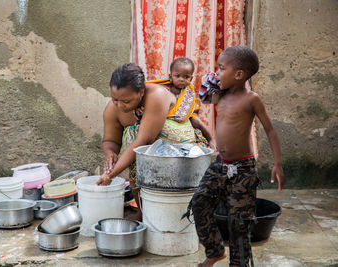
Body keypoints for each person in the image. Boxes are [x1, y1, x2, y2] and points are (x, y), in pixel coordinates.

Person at [190, 46, 284, 267]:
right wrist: (214, 82)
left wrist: (277, 163)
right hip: (220, 164)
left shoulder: (252, 99)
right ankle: (214, 251)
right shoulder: (220, 93)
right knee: (199, 203)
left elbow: (270, 129)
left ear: (239, 74)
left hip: (243, 169)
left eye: (222, 68)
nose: (217, 72)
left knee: (239, 222)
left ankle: (238, 264)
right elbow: (204, 97)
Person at [97, 63, 177, 220]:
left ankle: (166, 214)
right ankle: (143, 212)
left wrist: (111, 174)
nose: (120, 105)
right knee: (133, 140)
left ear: (141, 92)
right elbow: (110, 140)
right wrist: (109, 153)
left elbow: (145, 140)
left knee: (136, 137)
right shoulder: (113, 108)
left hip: (173, 154)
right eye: (115, 99)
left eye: (126, 101)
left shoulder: (156, 95)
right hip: (142, 152)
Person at [146, 57, 215, 149]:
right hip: (164, 115)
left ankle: (211, 138)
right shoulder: (165, 89)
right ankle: (149, 142)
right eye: (177, 76)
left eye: (186, 77)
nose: (181, 79)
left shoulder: (189, 91)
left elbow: (191, 107)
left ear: (191, 78)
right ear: (170, 77)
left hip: (185, 116)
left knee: (196, 121)